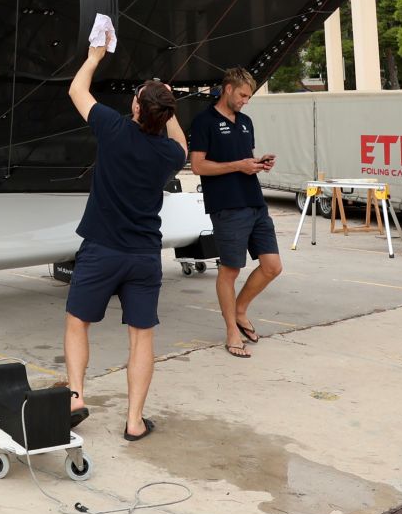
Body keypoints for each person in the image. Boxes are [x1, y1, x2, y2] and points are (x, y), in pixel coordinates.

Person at [62, 38, 187, 442]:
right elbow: (182, 145)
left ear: (135, 108)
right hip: (144, 255)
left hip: (101, 248)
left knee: (78, 322)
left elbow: (77, 90)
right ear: (164, 115)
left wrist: (94, 57)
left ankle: (76, 397)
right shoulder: (169, 155)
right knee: (141, 337)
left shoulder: (113, 129)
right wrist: (167, 106)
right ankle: (134, 422)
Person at [188, 67, 277, 357]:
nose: (245, 101)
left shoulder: (246, 122)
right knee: (230, 270)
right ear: (228, 89)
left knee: (272, 266)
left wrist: (258, 163)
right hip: (227, 206)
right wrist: (239, 166)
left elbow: (243, 159)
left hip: (255, 202)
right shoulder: (204, 122)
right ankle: (231, 331)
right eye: (242, 95)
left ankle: (239, 310)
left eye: (249, 97)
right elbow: (198, 166)